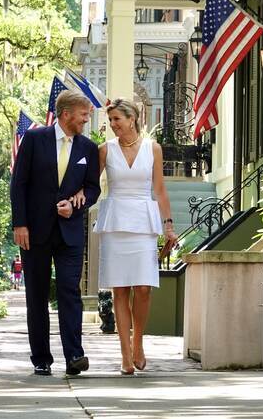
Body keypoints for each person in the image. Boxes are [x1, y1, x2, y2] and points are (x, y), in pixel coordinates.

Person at [9, 89, 101, 376]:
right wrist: (20, 224)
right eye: (84, 114)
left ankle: (75, 354)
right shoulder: (35, 139)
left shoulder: (88, 148)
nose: (87, 119)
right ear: (66, 114)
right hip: (34, 231)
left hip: (70, 233)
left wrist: (76, 204)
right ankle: (41, 359)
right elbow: (19, 184)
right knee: (36, 295)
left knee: (69, 291)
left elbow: (92, 188)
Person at [85, 98, 176, 375]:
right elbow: (89, 185)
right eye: (110, 120)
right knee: (120, 290)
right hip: (115, 223)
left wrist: (168, 226)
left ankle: (138, 341)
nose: (112, 125)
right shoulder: (105, 150)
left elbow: (159, 189)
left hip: (143, 223)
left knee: (144, 288)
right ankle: (125, 353)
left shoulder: (153, 149)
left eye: (116, 120)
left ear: (132, 119)